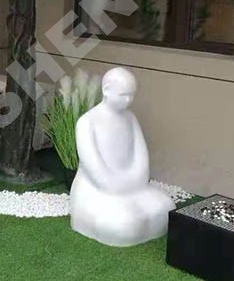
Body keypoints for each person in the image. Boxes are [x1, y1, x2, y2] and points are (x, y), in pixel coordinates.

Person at [69, 67, 175, 246]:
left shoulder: (130, 118)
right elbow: (93, 166)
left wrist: (136, 179)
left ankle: (129, 202)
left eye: (132, 95)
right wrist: (117, 186)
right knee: (125, 224)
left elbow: (141, 155)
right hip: (96, 189)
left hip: (132, 184)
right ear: (107, 90)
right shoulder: (87, 122)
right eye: (124, 95)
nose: (129, 100)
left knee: (165, 207)